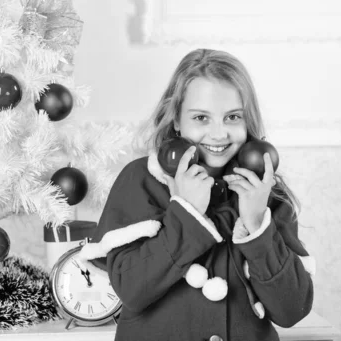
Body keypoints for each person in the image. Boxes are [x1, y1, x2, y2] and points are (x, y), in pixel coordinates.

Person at [80, 49, 316, 341]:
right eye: (201, 118)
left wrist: (257, 225)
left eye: (232, 117)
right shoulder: (140, 180)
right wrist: (185, 213)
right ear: (176, 119)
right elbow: (130, 289)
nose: (218, 134)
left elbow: (292, 310)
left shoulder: (264, 193)